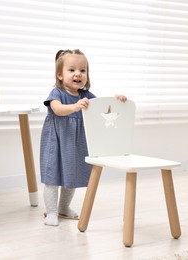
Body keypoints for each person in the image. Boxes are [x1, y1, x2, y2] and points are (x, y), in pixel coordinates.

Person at [40, 49, 127, 226]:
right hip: (56, 141)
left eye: (83, 70)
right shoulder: (57, 93)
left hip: (74, 143)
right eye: (71, 70)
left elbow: (104, 107)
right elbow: (57, 109)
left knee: (70, 175)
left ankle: (63, 208)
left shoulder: (86, 96)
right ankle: (51, 212)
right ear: (60, 74)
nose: (78, 74)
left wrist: (117, 100)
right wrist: (75, 107)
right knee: (52, 175)